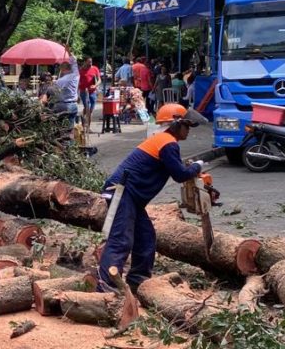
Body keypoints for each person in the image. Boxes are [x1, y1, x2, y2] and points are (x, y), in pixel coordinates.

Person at [97, 104, 208, 292]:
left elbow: (176, 168)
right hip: (123, 192)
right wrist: (197, 166)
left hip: (130, 196)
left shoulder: (164, 141)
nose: (188, 131)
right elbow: (180, 174)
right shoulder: (167, 143)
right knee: (121, 240)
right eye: (186, 126)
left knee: (146, 237)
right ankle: (105, 289)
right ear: (175, 124)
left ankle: (138, 282)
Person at [79, 57, 100, 130]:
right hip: (84, 92)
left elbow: (99, 80)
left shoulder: (95, 69)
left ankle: (85, 123)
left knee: (91, 110)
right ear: (85, 62)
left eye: (91, 62)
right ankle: (87, 127)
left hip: (93, 92)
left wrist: (96, 85)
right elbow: (78, 82)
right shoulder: (81, 70)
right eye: (88, 62)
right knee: (88, 109)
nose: (90, 64)